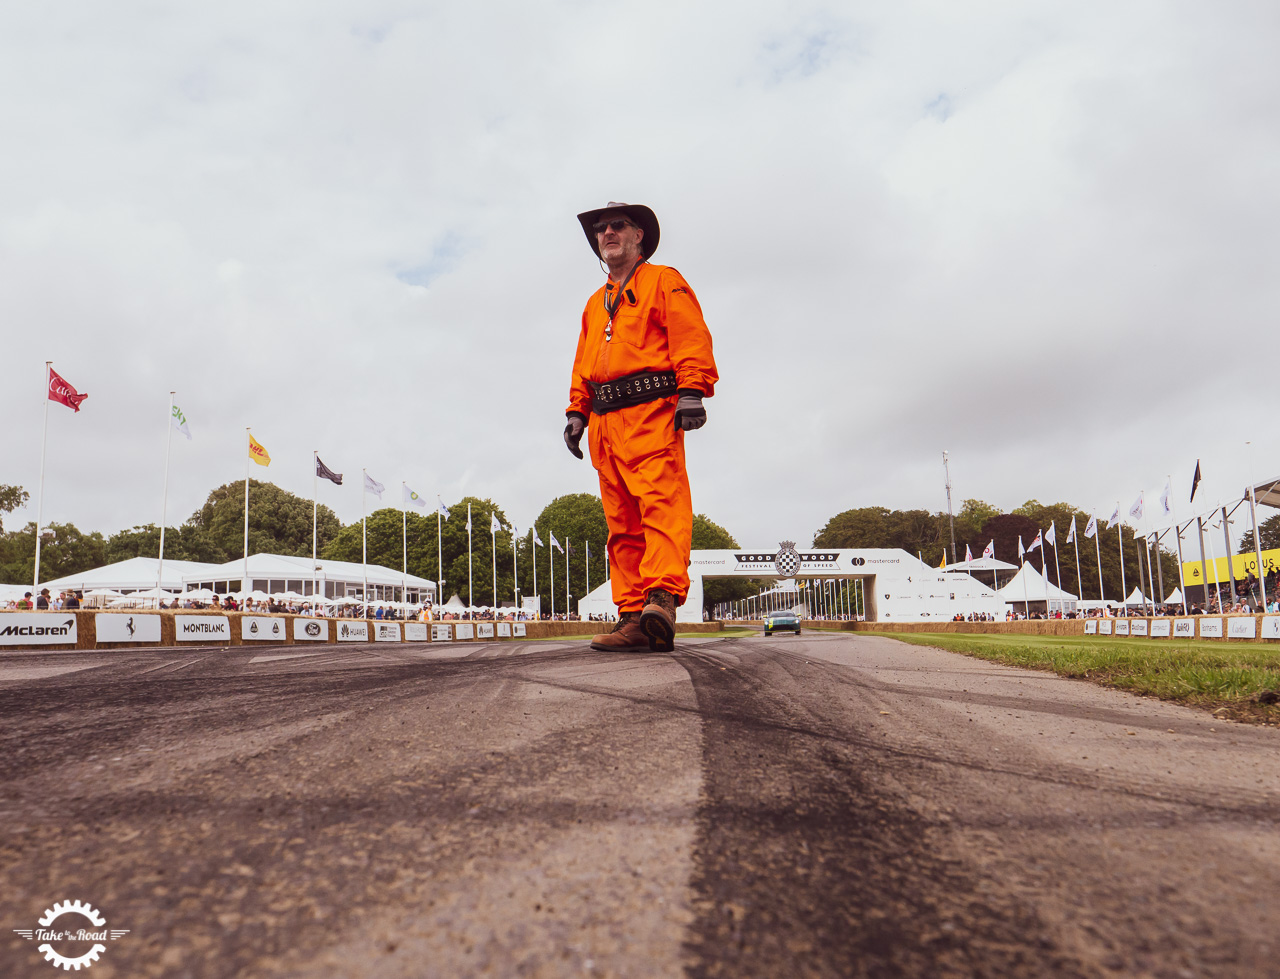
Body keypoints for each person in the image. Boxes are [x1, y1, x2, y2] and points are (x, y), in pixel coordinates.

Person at [564, 202, 718, 652]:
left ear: (638, 237)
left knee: (660, 506)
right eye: (600, 229)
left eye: (617, 225)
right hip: (606, 424)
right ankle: (632, 616)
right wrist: (577, 412)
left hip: (651, 412)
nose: (607, 232)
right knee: (621, 525)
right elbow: (583, 363)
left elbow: (690, 335)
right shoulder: (595, 304)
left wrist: (692, 391)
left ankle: (661, 601)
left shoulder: (664, 281)